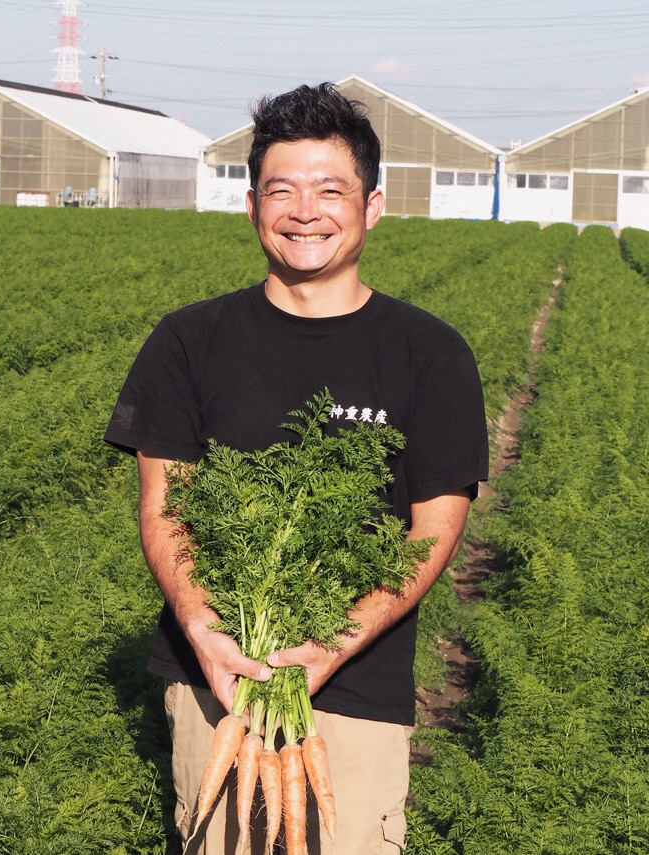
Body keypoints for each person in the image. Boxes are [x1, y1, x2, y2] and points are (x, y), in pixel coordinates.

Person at [104, 82, 488, 855]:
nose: (304, 210)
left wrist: (332, 644)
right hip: (216, 680)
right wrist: (208, 630)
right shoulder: (187, 341)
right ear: (252, 205)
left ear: (372, 206)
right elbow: (164, 507)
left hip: (358, 687)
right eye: (281, 189)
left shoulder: (432, 354)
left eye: (329, 189)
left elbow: (433, 531)